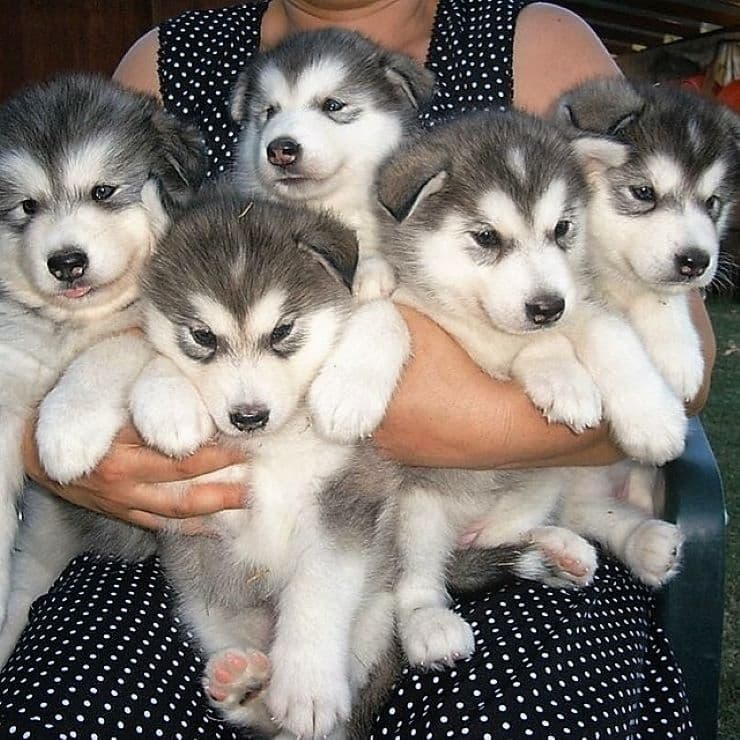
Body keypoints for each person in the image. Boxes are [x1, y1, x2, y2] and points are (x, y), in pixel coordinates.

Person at [0, 1, 708, 737]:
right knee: (63, 715)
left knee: (514, 720)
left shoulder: (534, 39)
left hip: (460, 516)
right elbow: (112, 312)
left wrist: (447, 415)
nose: (284, 137)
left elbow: (676, 371)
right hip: (186, 540)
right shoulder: (166, 58)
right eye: (266, 115)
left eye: (336, 107)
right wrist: (55, 449)